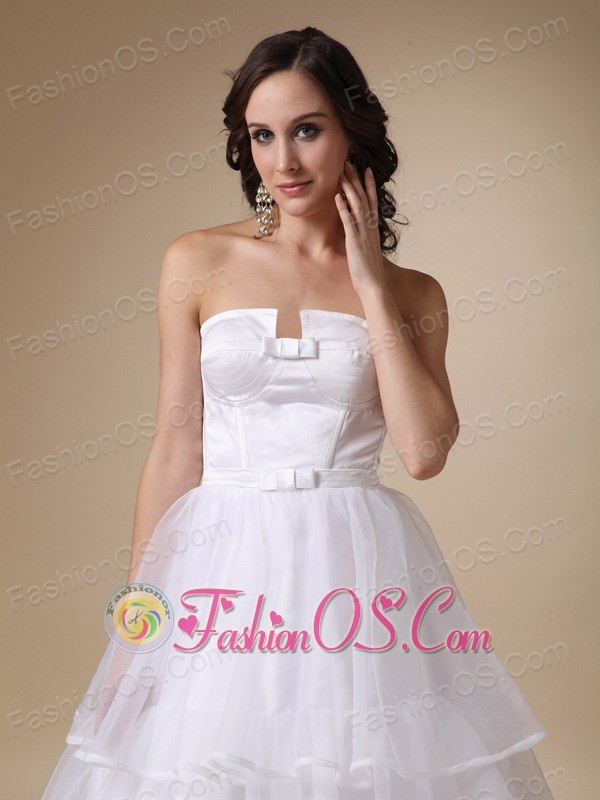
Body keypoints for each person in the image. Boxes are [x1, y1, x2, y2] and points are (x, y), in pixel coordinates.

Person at [41, 26, 556, 800]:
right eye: (262, 136)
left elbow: (422, 453)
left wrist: (371, 284)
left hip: (355, 573)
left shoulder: (414, 293)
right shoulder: (196, 262)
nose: (282, 161)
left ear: (353, 132)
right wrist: (135, 623)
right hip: (218, 564)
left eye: (307, 130)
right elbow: (175, 451)